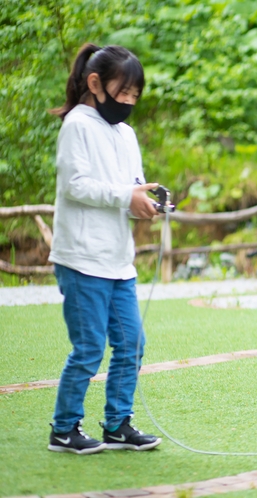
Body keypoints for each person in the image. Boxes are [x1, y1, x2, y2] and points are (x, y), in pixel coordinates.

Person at [47, 43, 162, 454]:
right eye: (122, 92)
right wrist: (125, 197)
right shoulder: (76, 125)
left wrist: (146, 205)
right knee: (90, 347)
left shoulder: (126, 133)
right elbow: (76, 187)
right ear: (95, 84)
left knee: (132, 342)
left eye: (135, 95)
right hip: (81, 258)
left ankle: (117, 424)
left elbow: (128, 189)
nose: (128, 102)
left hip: (118, 260)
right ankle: (64, 429)